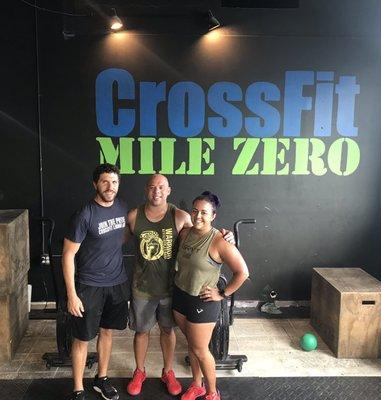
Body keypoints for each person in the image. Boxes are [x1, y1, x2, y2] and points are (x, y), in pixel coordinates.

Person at [125, 175, 235, 397]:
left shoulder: (180, 216)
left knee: (168, 330)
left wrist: (225, 234)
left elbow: (204, 228)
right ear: (146, 190)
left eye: (161, 187)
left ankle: (168, 372)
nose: (157, 191)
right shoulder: (134, 216)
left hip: (170, 288)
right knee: (141, 332)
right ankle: (139, 371)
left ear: (168, 191)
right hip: (142, 287)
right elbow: (114, 241)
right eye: (152, 187)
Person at [172, 191, 249, 400]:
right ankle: (196, 384)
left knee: (200, 349)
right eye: (195, 211)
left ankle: (212, 393)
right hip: (180, 295)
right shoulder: (185, 233)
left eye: (204, 213)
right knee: (192, 344)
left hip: (202, 300)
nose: (198, 216)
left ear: (213, 215)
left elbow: (243, 272)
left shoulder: (220, 241)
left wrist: (223, 293)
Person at [63, 163, 130, 400]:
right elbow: (68, 254)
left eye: (114, 182)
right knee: (82, 338)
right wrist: (72, 294)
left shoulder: (122, 207)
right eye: (104, 181)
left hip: (117, 282)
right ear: (95, 184)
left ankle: (101, 379)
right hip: (89, 285)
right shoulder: (85, 214)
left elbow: (125, 235)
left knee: (107, 332)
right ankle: (78, 389)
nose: (110, 187)